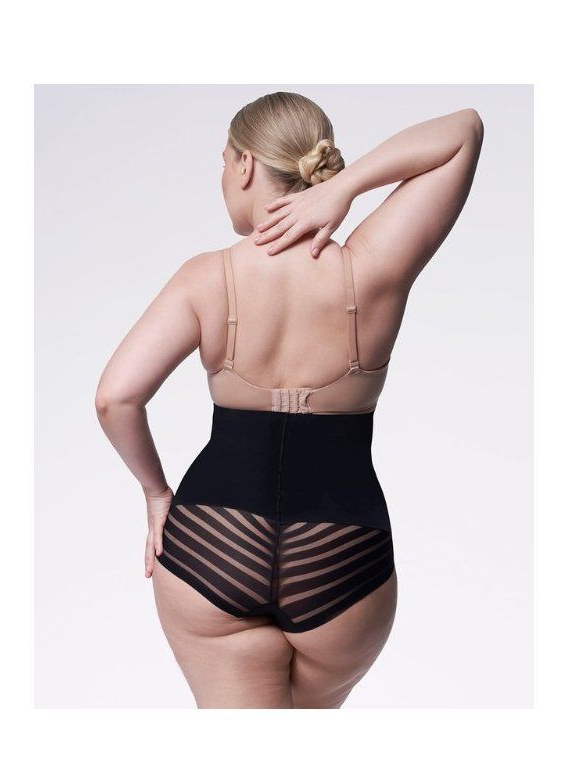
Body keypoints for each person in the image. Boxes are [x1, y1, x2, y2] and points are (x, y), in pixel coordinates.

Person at [95, 92, 483, 708]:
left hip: (214, 543)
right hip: (343, 550)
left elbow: (116, 398)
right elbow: (463, 131)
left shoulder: (206, 276)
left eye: (223, 161)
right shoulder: (369, 266)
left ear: (245, 164)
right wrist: (348, 188)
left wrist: (156, 494)